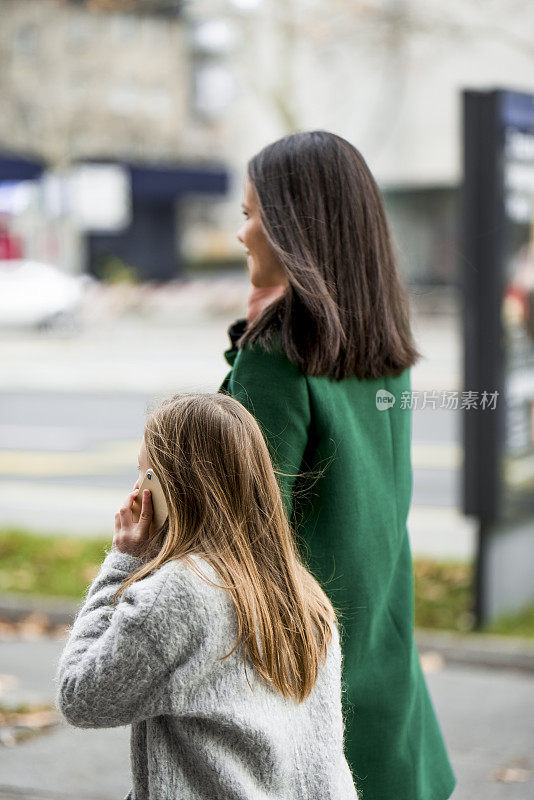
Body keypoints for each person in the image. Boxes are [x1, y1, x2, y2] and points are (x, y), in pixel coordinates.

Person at [219, 130, 456, 800]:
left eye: (251, 216)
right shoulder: (382, 351)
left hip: (305, 698)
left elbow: (234, 527)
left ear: (293, 228)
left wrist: (250, 352)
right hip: (387, 686)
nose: (243, 237)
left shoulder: (279, 357)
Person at [55, 392, 358, 800]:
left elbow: (81, 696)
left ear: (167, 492)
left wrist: (123, 563)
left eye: (144, 475)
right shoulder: (304, 593)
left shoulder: (181, 592)